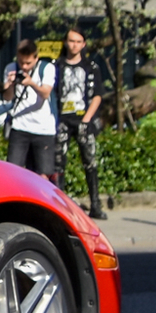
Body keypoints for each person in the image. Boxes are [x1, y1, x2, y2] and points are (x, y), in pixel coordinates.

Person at [52, 26, 106, 216]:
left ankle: (96, 205)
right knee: (58, 163)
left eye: (78, 41)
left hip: (84, 118)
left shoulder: (91, 67)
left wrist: (87, 119)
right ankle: (61, 206)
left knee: (90, 162)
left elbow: (98, 95)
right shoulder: (57, 66)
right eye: (71, 41)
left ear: (83, 44)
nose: (74, 45)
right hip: (62, 119)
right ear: (66, 42)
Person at [3, 39, 59, 179]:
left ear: (36, 58)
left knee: (43, 174)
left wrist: (31, 83)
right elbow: (7, 97)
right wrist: (10, 84)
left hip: (44, 128)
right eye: (21, 62)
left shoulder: (47, 68)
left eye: (28, 63)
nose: (24, 67)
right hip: (20, 126)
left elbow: (45, 93)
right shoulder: (11, 68)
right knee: (13, 170)